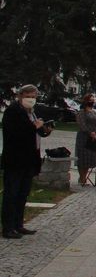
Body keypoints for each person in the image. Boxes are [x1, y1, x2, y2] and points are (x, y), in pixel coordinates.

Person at [2, 84, 54, 239]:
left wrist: (44, 130)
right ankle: (8, 227)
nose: (31, 99)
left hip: (29, 159)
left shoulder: (31, 112)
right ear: (20, 96)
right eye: (28, 96)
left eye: (33, 96)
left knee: (23, 194)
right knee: (12, 193)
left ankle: (18, 224)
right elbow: (15, 133)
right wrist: (34, 127)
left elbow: (36, 131)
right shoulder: (13, 111)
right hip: (16, 159)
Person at [75, 94, 96, 187]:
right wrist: (89, 132)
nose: (92, 102)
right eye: (90, 100)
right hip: (83, 136)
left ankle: (84, 176)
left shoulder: (93, 112)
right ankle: (82, 178)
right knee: (82, 157)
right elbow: (82, 124)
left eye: (93, 100)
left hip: (92, 137)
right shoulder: (81, 112)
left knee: (89, 157)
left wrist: (94, 132)